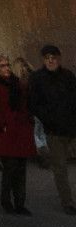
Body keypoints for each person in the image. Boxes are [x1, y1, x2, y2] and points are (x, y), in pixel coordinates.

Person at [0, 54, 35, 215]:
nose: (6, 69)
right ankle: (6, 201)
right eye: (2, 66)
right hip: (4, 132)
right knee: (10, 168)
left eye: (7, 65)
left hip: (20, 129)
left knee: (21, 168)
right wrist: (1, 124)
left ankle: (20, 203)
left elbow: (24, 101)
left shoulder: (15, 82)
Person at [27, 43, 76, 216]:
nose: (51, 61)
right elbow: (33, 104)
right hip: (54, 130)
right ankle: (67, 202)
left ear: (58, 58)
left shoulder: (68, 76)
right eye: (47, 58)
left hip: (71, 128)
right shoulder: (37, 78)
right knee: (60, 167)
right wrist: (48, 119)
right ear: (43, 60)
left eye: (53, 57)